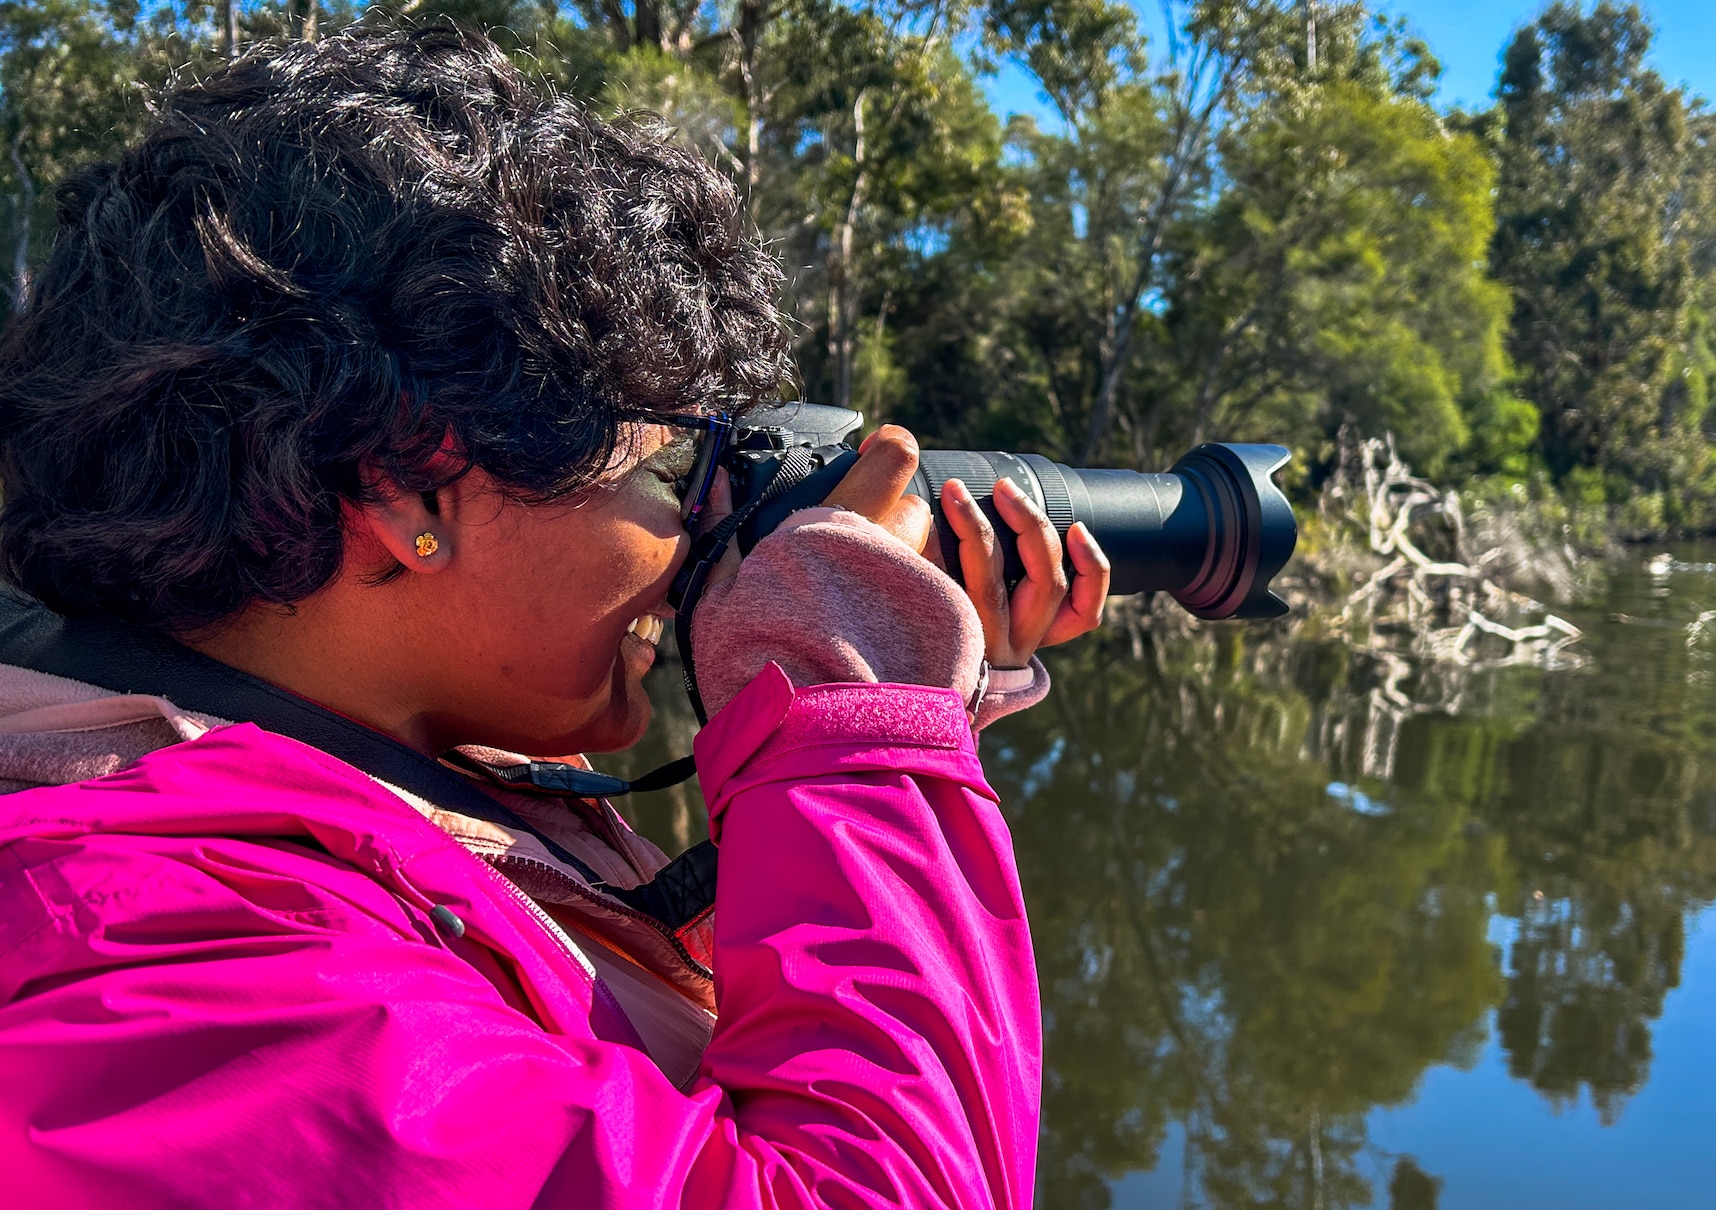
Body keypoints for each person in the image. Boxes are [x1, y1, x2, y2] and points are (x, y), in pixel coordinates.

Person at [0, 22, 1107, 1208]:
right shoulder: (166, 954)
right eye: (669, 466)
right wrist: (851, 713)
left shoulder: (387, 770)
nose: (695, 531)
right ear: (407, 488)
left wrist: (891, 716)